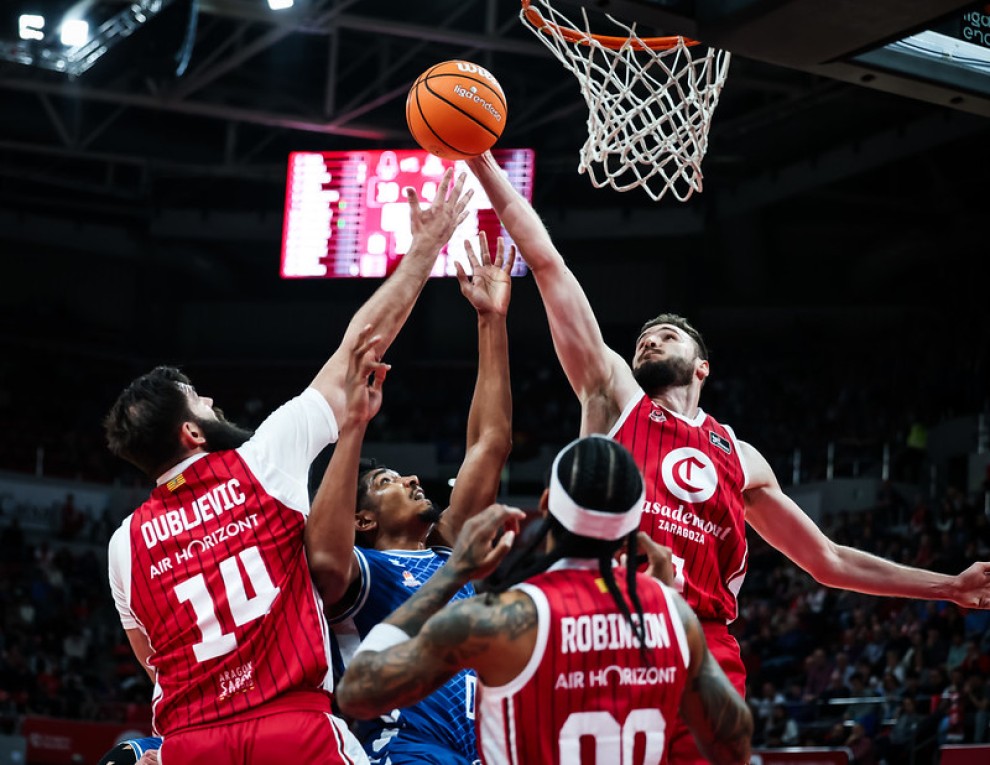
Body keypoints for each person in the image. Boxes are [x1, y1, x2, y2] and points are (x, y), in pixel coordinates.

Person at [465, 149, 990, 764]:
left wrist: (950, 586)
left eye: (666, 336)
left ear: (702, 367)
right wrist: (482, 162)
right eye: (643, 340)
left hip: (703, 642)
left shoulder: (742, 459)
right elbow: (548, 264)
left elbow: (827, 560)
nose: (649, 341)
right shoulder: (612, 395)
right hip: (606, 624)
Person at [103, 170, 473, 765]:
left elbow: (153, 661)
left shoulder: (125, 544)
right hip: (291, 726)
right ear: (191, 433)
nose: (213, 402)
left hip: (191, 744)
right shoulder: (262, 459)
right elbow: (360, 348)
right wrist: (426, 249)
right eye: (200, 401)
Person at [335, 435, 753, 765]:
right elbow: (732, 744)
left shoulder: (506, 617)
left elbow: (357, 693)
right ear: (632, 521)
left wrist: (453, 573)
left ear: (547, 504)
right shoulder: (673, 615)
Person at [310, 235, 515, 764]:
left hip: (480, 751)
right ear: (361, 519)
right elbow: (324, 554)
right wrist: (353, 424)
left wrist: (491, 321)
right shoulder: (362, 572)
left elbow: (490, 444)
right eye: (387, 483)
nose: (411, 480)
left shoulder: (450, 552)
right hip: (402, 750)